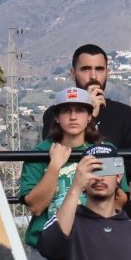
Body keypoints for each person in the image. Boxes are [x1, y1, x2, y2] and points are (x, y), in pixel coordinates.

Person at [19, 87, 98, 250]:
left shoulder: (104, 151)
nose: (73, 117)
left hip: (93, 241)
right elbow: (35, 207)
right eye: (66, 111)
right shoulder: (39, 153)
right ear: (56, 117)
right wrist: (54, 166)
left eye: (80, 110)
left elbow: (118, 201)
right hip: (47, 244)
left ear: (89, 116)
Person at [70, 44, 131, 164]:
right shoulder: (57, 114)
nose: (93, 76)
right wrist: (89, 113)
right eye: (85, 69)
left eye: (99, 69)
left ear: (107, 72)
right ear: (73, 73)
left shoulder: (127, 116)